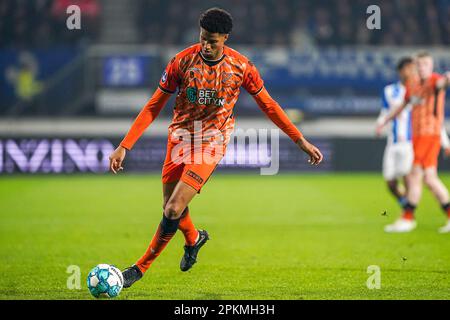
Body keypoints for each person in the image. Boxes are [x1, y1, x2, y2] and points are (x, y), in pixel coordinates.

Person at [108, 8, 323, 288]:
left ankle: (139, 268)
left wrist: (300, 141)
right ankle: (195, 239)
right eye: (203, 39)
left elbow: (269, 106)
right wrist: (125, 145)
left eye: (213, 41)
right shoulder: (182, 62)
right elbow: (153, 105)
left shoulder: (242, 67)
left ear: (226, 38)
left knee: (173, 208)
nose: (206, 46)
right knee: (169, 206)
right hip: (180, 139)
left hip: (212, 142)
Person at [377, 52, 450, 233]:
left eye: (426, 64)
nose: (422, 68)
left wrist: (448, 78)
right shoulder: (413, 86)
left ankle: (408, 218)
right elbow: (402, 105)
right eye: (420, 65)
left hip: (429, 135)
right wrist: (385, 121)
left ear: (431, 67)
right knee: (430, 179)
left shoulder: (434, 81)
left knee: (415, 174)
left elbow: (443, 83)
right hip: (417, 137)